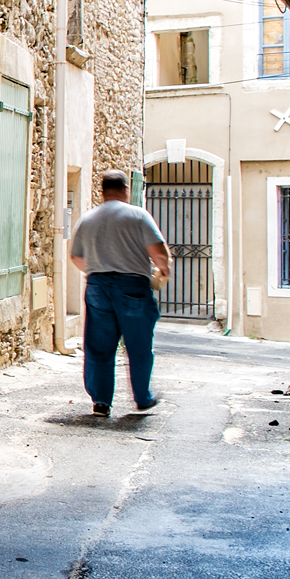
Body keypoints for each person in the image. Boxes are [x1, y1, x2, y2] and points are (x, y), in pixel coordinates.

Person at [69, 170, 173, 417]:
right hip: (132, 286)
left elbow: (76, 256)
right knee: (138, 344)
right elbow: (158, 253)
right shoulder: (137, 216)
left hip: (97, 286)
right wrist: (163, 270)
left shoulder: (87, 219)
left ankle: (101, 401)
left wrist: (97, 270)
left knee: (98, 346)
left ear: (102, 190)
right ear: (126, 189)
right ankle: (142, 397)